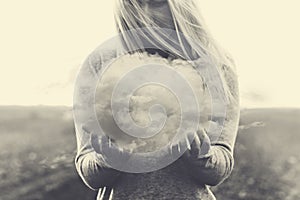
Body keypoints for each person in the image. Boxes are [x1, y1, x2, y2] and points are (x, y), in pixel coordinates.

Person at [74, 0, 240, 199]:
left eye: (156, 2)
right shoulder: (100, 63)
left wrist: (202, 157)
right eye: (133, 3)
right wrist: (109, 159)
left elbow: (220, 165)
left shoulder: (216, 65)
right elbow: (88, 171)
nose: (143, 13)